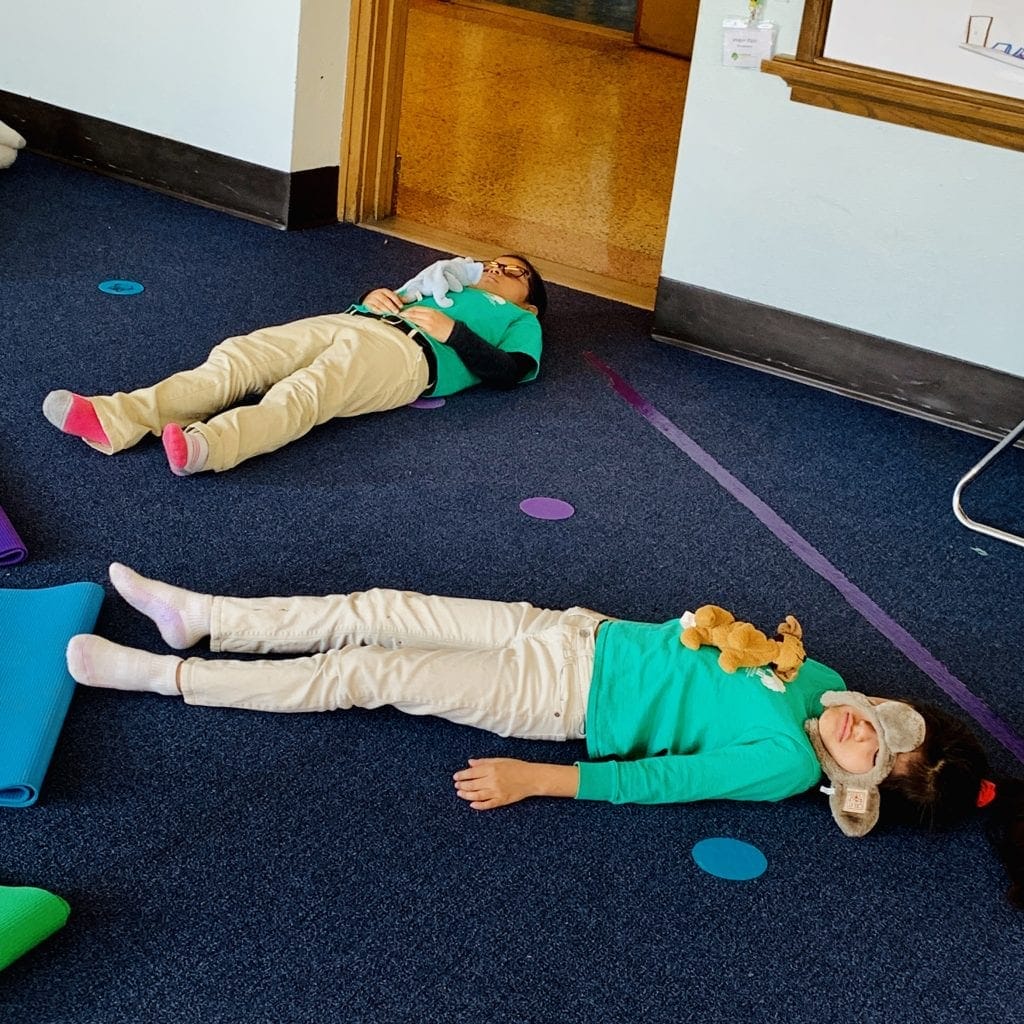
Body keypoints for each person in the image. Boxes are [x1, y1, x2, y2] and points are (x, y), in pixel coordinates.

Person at [68, 564, 1024, 906]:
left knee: (368, 672)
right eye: (890, 727)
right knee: (379, 604)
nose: (860, 728)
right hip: (570, 632)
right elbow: (706, 650)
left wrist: (539, 780)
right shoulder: (819, 679)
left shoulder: (781, 765)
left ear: (853, 795)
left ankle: (167, 674)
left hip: (555, 701)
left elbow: (663, 782)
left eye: (871, 754)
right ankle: (205, 617)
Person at [42, 255, 548, 475]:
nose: (499, 270)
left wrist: (452, 334)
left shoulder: (521, 320)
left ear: (529, 300)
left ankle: (208, 445)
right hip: (356, 322)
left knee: (308, 392)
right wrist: (372, 296)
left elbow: (512, 373)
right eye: (494, 262)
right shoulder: (446, 282)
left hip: (407, 356)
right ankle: (116, 417)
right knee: (240, 357)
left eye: (515, 273)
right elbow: (381, 300)